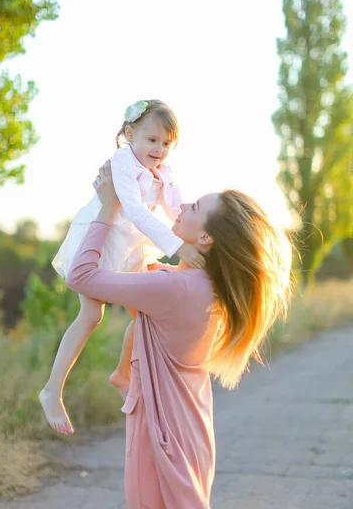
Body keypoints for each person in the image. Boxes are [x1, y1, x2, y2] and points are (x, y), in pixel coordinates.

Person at [65, 164, 293, 509]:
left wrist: (107, 209)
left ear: (205, 238)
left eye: (195, 208)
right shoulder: (208, 288)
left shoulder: (171, 287)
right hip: (193, 432)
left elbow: (80, 276)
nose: (183, 205)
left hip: (162, 435)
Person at [40, 99, 204, 435]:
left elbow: (173, 211)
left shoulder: (164, 171)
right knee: (91, 316)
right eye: (152, 140)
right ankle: (51, 390)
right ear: (130, 133)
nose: (159, 149)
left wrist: (199, 237)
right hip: (101, 239)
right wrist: (177, 246)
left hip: (130, 245)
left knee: (147, 313)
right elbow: (134, 209)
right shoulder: (121, 162)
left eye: (166, 143)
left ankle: (123, 374)